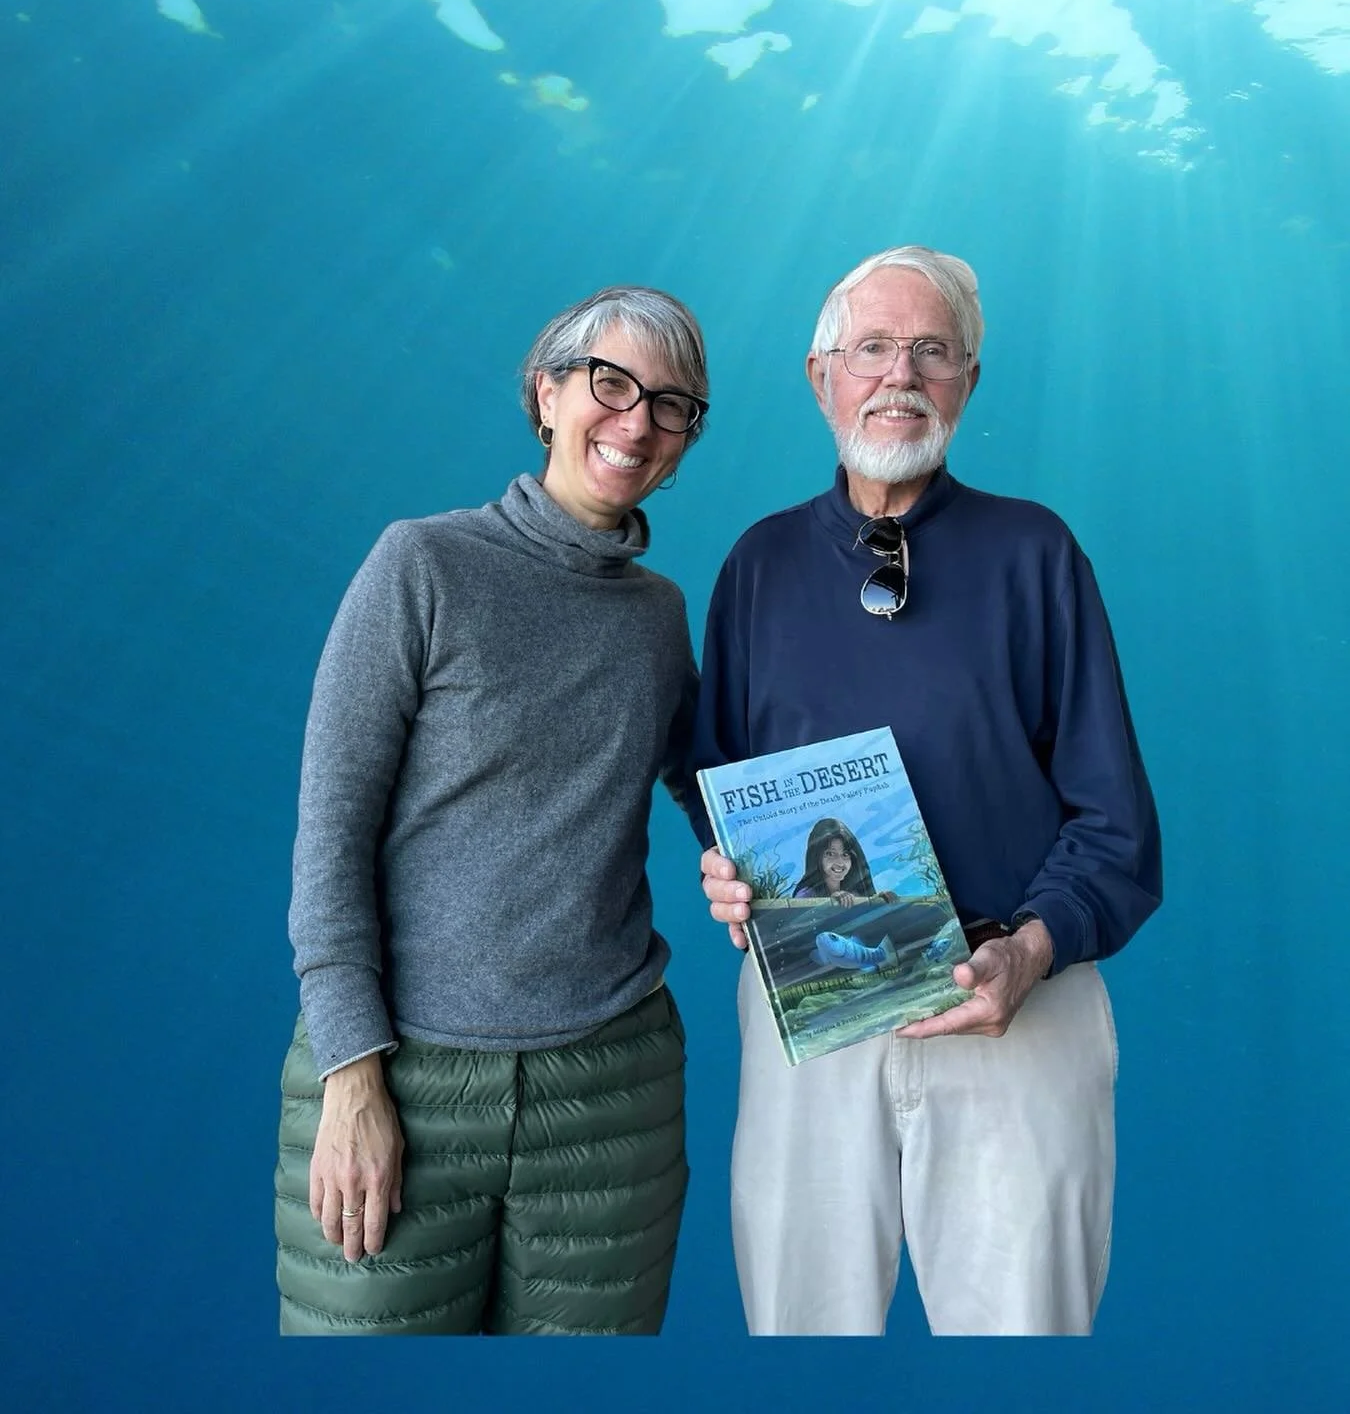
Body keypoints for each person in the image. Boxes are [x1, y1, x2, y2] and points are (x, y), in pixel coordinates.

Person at [695, 245, 1161, 1337]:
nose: (898, 374)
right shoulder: (757, 566)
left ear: (968, 381)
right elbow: (716, 782)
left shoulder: (1036, 553)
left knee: (1023, 1343)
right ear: (821, 376)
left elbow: (1119, 827)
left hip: (1019, 1005)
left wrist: (1030, 952)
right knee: (797, 1337)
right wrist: (723, 869)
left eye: (931, 350)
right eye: (870, 348)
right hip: (811, 1008)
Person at [275, 285, 709, 1335]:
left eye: (673, 404)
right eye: (611, 383)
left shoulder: (658, 617)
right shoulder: (420, 565)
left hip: (616, 1090)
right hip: (401, 1077)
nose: (638, 420)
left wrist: (882, 925)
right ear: (546, 392)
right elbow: (330, 840)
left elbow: (723, 787)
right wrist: (353, 1074)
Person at [792, 817, 875, 902]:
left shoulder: (856, 893)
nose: (840, 862)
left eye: (845, 854)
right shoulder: (805, 895)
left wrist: (879, 902)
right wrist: (830, 904)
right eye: (830, 854)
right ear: (817, 856)